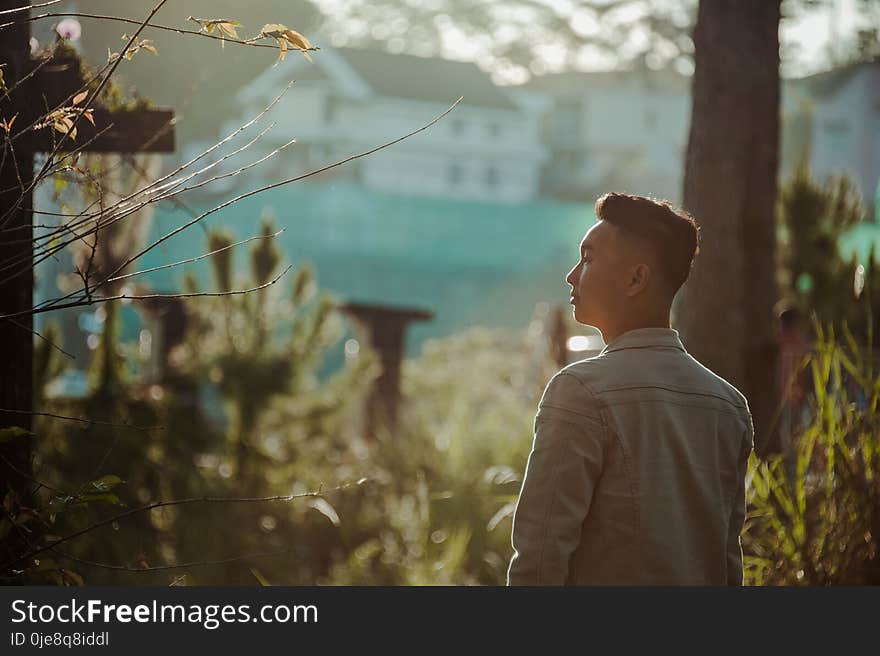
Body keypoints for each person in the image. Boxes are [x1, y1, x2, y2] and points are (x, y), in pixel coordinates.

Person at [507, 193, 754, 586]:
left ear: (636, 279)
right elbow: (728, 566)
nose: (572, 275)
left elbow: (539, 560)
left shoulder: (578, 392)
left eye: (587, 259)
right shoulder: (727, 406)